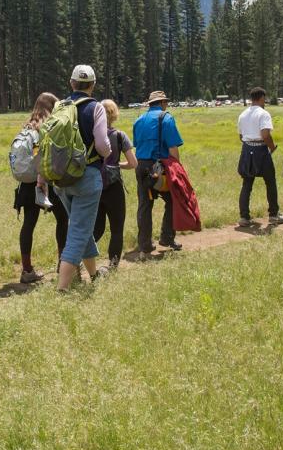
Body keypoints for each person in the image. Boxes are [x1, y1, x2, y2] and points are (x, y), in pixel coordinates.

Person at [51, 65, 112, 290]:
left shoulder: (60, 106)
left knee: (80, 226)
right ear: (93, 85)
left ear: (71, 83)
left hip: (60, 178)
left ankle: (94, 275)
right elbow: (103, 145)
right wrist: (107, 154)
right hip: (87, 176)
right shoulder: (96, 108)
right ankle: (62, 288)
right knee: (78, 232)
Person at [12, 92, 68, 284]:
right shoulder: (46, 128)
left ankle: (27, 269)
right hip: (46, 182)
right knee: (63, 218)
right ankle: (63, 264)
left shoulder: (26, 127)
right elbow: (44, 156)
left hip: (26, 185)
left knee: (29, 223)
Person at [132, 90, 184, 252]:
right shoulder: (166, 118)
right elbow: (173, 148)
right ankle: (167, 238)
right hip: (159, 167)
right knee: (173, 200)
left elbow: (137, 145)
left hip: (141, 166)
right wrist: (178, 170)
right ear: (162, 103)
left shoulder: (138, 120)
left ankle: (144, 244)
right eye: (165, 102)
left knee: (145, 205)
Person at [93, 99, 136, 268]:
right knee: (117, 229)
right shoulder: (120, 136)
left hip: (95, 185)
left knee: (96, 229)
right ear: (114, 114)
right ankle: (113, 264)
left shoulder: (92, 136)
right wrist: (117, 165)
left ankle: (78, 258)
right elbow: (133, 164)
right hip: (114, 187)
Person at [236, 87, 283, 227]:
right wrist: (272, 147)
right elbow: (265, 135)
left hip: (247, 149)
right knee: (270, 182)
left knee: (247, 183)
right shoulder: (264, 114)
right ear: (262, 98)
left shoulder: (243, 114)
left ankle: (244, 217)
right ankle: (273, 214)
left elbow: (241, 136)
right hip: (261, 150)